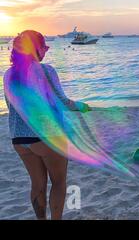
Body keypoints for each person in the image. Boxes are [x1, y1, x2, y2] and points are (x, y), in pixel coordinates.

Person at [3, 30, 89, 220]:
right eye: (44, 47)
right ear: (36, 48)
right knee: (58, 182)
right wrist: (82, 107)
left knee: (37, 184)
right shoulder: (46, 71)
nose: (47, 51)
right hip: (48, 136)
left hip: (19, 139)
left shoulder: (8, 74)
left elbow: (13, 106)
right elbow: (62, 102)